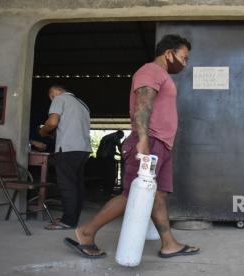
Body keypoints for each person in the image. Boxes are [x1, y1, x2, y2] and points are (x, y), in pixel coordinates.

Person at [64, 34, 200, 258]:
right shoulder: (151, 71)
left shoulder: (162, 75)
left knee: (158, 195)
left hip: (161, 144)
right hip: (150, 141)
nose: (185, 63)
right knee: (132, 194)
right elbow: (143, 104)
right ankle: (86, 233)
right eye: (183, 58)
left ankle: (169, 244)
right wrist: (144, 140)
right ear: (168, 54)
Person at [40, 85, 92, 230]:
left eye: (50, 97)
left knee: (66, 185)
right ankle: (71, 218)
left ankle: (68, 221)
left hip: (68, 148)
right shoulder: (83, 105)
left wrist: (43, 131)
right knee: (77, 185)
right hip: (83, 149)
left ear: (53, 93)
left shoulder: (60, 99)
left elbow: (52, 122)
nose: (51, 100)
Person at [96, 130, 124, 197]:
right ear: (119, 134)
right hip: (105, 158)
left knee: (106, 175)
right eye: (120, 137)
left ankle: (106, 192)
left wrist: (120, 154)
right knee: (111, 175)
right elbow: (119, 147)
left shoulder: (109, 137)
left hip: (102, 157)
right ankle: (107, 192)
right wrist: (123, 154)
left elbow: (112, 150)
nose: (120, 139)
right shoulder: (114, 137)